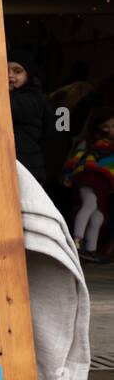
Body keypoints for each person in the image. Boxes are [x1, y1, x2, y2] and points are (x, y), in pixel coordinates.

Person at [63, 105, 114, 264]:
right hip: (88, 176)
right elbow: (75, 159)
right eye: (107, 126)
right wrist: (67, 174)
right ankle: (76, 243)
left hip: (104, 184)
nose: (110, 130)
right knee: (90, 204)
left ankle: (91, 249)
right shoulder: (90, 142)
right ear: (100, 127)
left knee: (98, 215)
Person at [7, 50, 48, 189]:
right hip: (14, 166)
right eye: (5, 70)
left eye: (17, 71)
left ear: (27, 75)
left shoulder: (33, 98)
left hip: (27, 169)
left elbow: (9, 108)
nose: (10, 75)